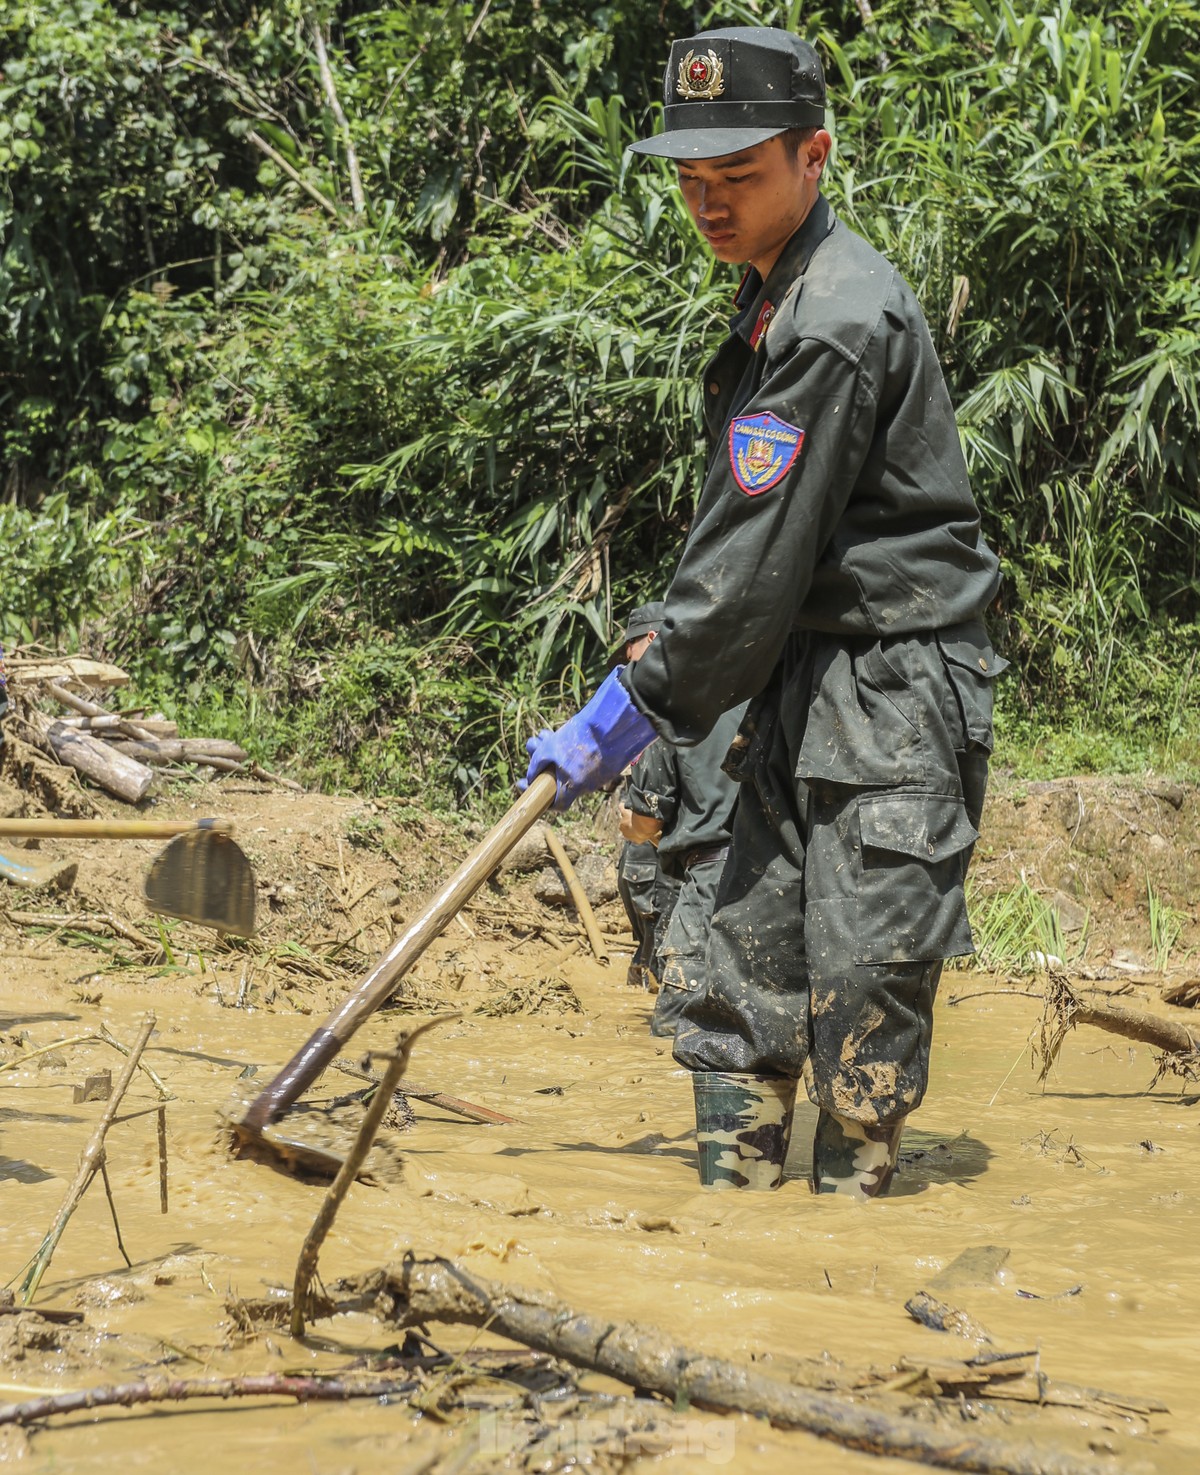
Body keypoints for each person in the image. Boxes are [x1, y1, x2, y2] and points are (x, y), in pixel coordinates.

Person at [522, 26, 1003, 1199]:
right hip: (785, 671)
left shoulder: (836, 320)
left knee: (861, 995)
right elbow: (743, 536)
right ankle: (733, 1243)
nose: (710, 204)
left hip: (886, 689)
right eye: (692, 182)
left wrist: (632, 702)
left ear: (815, 157)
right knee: (738, 967)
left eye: (737, 178)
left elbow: (752, 560)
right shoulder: (774, 305)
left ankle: (851, 1269)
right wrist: (663, 637)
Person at [623, 695, 746, 1037]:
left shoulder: (674, 707)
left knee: (678, 1024)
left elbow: (645, 822)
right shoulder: (774, 687)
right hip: (780, 877)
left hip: (709, 877)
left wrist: (630, 827)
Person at [612, 603, 680, 993]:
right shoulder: (642, 699)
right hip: (642, 822)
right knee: (647, 936)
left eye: (631, 645)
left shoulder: (676, 702)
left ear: (651, 639)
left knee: (663, 935)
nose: (627, 655)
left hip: (663, 830)